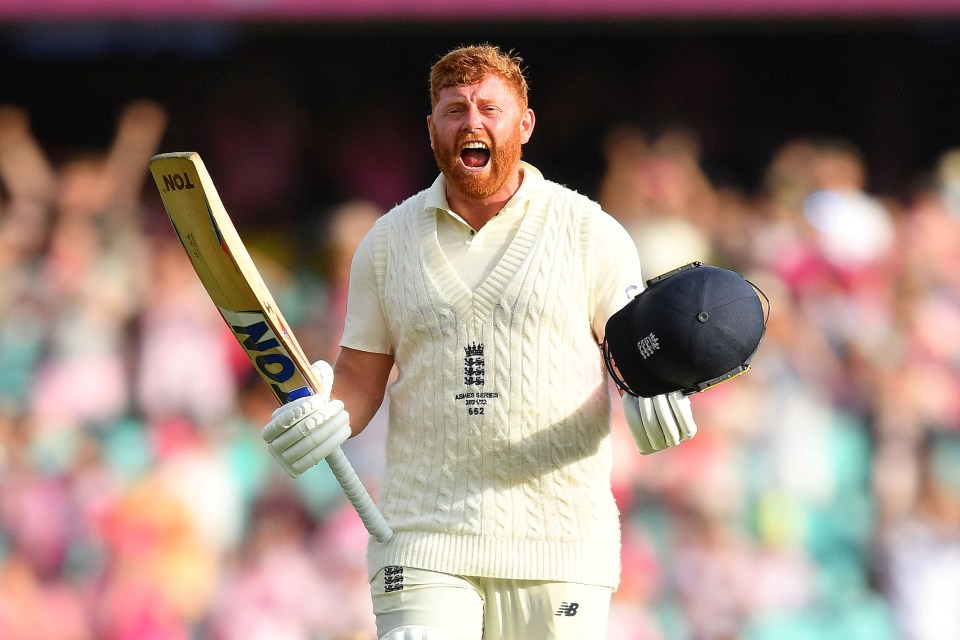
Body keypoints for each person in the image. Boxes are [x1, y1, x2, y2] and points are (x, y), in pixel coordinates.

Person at [260, 44, 700, 640]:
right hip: (424, 534)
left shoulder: (590, 231)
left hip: (560, 541)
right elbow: (363, 374)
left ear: (525, 123)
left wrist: (653, 388)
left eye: (490, 108)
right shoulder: (386, 242)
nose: (472, 122)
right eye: (454, 109)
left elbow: (627, 353)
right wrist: (327, 410)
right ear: (431, 128)